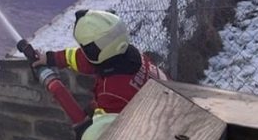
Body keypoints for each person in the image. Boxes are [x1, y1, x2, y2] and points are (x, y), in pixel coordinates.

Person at [32, 9, 166, 116]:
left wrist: (88, 120)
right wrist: (51, 58)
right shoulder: (126, 55)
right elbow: (82, 59)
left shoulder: (111, 93)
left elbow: (105, 131)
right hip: (168, 107)